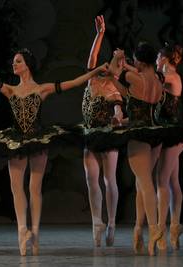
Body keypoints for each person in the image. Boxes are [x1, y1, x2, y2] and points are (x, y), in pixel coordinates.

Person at [0, 44, 108, 256]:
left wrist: (95, 71)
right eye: (14, 61)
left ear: (27, 66)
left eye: (18, 61)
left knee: (35, 188)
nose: (14, 64)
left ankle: (35, 233)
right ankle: (21, 231)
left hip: (38, 139)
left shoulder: (42, 89)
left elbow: (74, 82)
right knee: (17, 188)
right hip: (15, 141)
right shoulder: (10, 89)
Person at [109, 43, 165, 256]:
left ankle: (154, 230)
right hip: (155, 134)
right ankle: (138, 231)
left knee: (145, 184)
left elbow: (117, 71)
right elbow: (129, 94)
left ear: (140, 62)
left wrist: (118, 58)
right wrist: (114, 80)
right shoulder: (158, 81)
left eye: (135, 61)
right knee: (141, 184)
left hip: (140, 136)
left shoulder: (136, 78)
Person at [81, 15, 124, 247]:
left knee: (109, 180)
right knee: (91, 179)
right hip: (90, 136)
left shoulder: (112, 91)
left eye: (111, 67)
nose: (105, 67)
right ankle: (96, 222)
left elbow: (118, 108)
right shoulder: (92, 81)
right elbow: (92, 58)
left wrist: (118, 117)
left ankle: (112, 223)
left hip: (107, 137)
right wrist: (100, 34)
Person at [154, 43, 183, 251]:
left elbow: (155, 81)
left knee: (162, 181)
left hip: (173, 135)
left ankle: (162, 230)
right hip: (167, 134)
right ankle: (173, 228)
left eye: (157, 58)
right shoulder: (165, 78)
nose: (156, 62)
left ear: (164, 59)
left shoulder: (172, 77)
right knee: (172, 181)